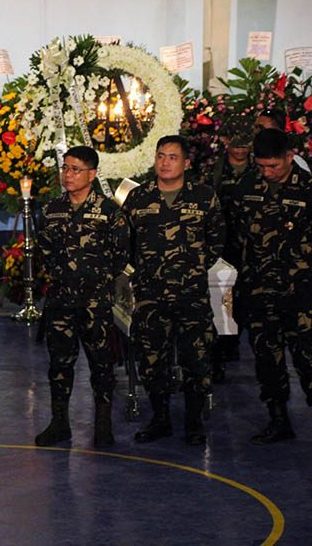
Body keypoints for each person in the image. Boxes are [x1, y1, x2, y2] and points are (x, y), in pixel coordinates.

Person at [122, 136, 225, 446]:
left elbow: (217, 239)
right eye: (161, 156)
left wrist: (191, 268)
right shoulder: (139, 198)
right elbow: (125, 244)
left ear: (186, 163)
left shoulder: (204, 197)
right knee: (152, 361)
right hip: (151, 294)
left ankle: (193, 422)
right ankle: (160, 418)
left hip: (191, 294)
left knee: (196, 360)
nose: (165, 162)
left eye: (173, 157)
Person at [34, 146, 128, 448]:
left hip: (95, 303)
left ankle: (103, 424)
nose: (68, 174)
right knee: (59, 364)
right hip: (61, 301)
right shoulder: (51, 210)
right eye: (65, 167)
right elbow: (44, 252)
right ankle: (59, 422)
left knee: (101, 365)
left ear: (92, 174)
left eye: (75, 169)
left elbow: (120, 255)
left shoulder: (110, 212)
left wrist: (96, 280)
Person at [227, 128, 312, 444]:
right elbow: (237, 237)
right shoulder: (246, 188)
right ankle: (278, 420)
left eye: (273, 166)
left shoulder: (307, 189)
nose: (267, 172)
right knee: (267, 360)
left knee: (308, 360)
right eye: (261, 166)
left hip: (303, 294)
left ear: (290, 156)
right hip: (260, 292)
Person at [206, 117, 256, 381]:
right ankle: (220, 351)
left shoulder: (258, 171)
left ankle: (234, 343)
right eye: (234, 143)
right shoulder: (213, 172)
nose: (239, 149)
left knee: (244, 301)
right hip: (222, 248)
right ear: (225, 142)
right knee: (221, 301)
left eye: (244, 143)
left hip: (253, 248)